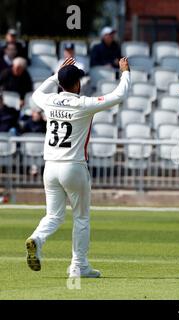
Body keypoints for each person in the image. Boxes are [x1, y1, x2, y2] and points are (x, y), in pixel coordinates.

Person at [25, 56, 130, 278]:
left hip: (50, 167)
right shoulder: (83, 104)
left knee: (53, 215)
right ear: (78, 84)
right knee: (81, 217)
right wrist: (125, 72)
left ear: (61, 83)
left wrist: (56, 75)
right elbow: (120, 95)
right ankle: (78, 266)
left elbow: (36, 95)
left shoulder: (50, 100)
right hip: (73, 166)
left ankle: (37, 238)